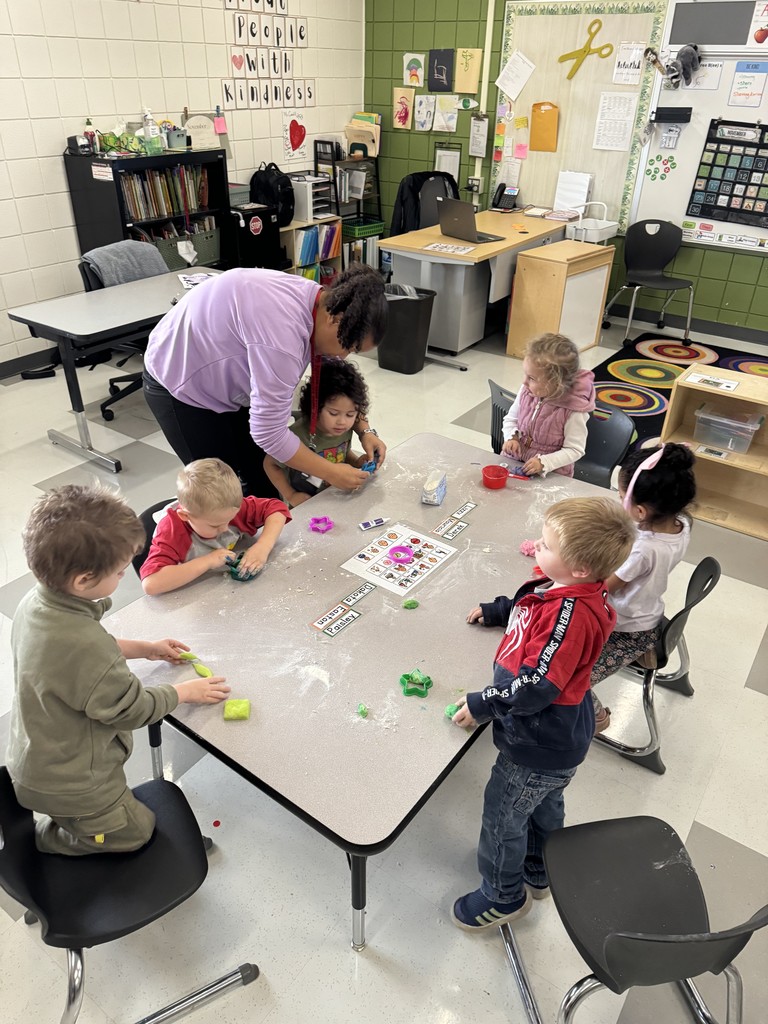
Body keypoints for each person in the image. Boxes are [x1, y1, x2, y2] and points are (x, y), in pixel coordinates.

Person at [7, 485, 230, 856]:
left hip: (41, 755)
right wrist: (183, 693)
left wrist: (149, 649)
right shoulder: (81, 645)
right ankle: (51, 842)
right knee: (137, 832)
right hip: (77, 780)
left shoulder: (41, 602)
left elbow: (91, 648)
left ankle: (73, 821)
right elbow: (132, 709)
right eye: (120, 570)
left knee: (108, 816)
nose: (124, 576)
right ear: (82, 580)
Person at [451, 497, 635, 930]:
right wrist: (503, 611)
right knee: (544, 803)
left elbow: (536, 686)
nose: (536, 546)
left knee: (503, 815)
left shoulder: (570, 616)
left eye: (547, 546)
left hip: (538, 740)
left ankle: (503, 895)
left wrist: (483, 705)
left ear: (581, 570)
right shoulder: (574, 590)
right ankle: (539, 866)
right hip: (561, 740)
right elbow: (537, 603)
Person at [143, 264, 388, 499]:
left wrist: (364, 429)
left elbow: (339, 382)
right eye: (351, 347)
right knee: (220, 493)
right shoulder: (283, 340)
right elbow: (269, 433)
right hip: (180, 381)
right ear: (335, 320)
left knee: (262, 486)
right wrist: (330, 472)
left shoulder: (320, 301)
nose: (344, 356)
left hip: (228, 374)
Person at [590, 443, 696, 733]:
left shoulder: (645, 551)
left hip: (626, 629)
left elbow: (601, 588)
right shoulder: (681, 522)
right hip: (646, 612)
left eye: (621, 495)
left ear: (638, 511)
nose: (618, 498)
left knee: (568, 674)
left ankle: (597, 717)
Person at [141, 457, 290, 595]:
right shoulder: (172, 531)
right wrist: (208, 561)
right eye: (215, 526)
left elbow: (277, 508)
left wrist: (262, 547)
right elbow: (151, 584)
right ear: (185, 516)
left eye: (229, 520)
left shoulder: (226, 507)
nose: (225, 529)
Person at [263, 357, 372, 507]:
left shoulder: (342, 429)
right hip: (305, 504)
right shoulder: (297, 435)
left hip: (334, 498)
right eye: (333, 413)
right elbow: (270, 464)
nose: (342, 422)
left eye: (350, 414)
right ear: (315, 407)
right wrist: (291, 495)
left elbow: (340, 453)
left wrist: (356, 461)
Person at [501, 333, 595, 477]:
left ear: (557, 383)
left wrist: (544, 462)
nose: (524, 382)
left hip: (550, 475)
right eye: (525, 374)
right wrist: (511, 437)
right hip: (516, 463)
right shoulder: (527, 390)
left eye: (531, 378)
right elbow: (510, 419)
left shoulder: (574, 410)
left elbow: (575, 450)